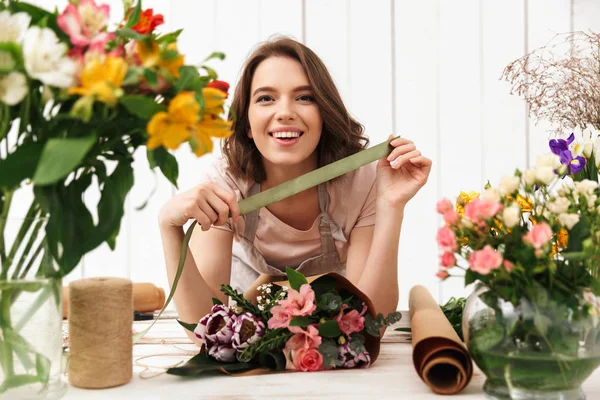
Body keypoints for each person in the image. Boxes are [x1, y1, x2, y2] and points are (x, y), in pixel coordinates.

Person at [158, 37, 432, 344]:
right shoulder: (226, 184)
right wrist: (169, 228)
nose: (285, 112)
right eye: (265, 99)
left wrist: (391, 205)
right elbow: (204, 332)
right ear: (247, 123)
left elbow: (372, 326)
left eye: (304, 98)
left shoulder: (361, 181)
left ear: (325, 115)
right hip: (252, 336)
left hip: (328, 337)